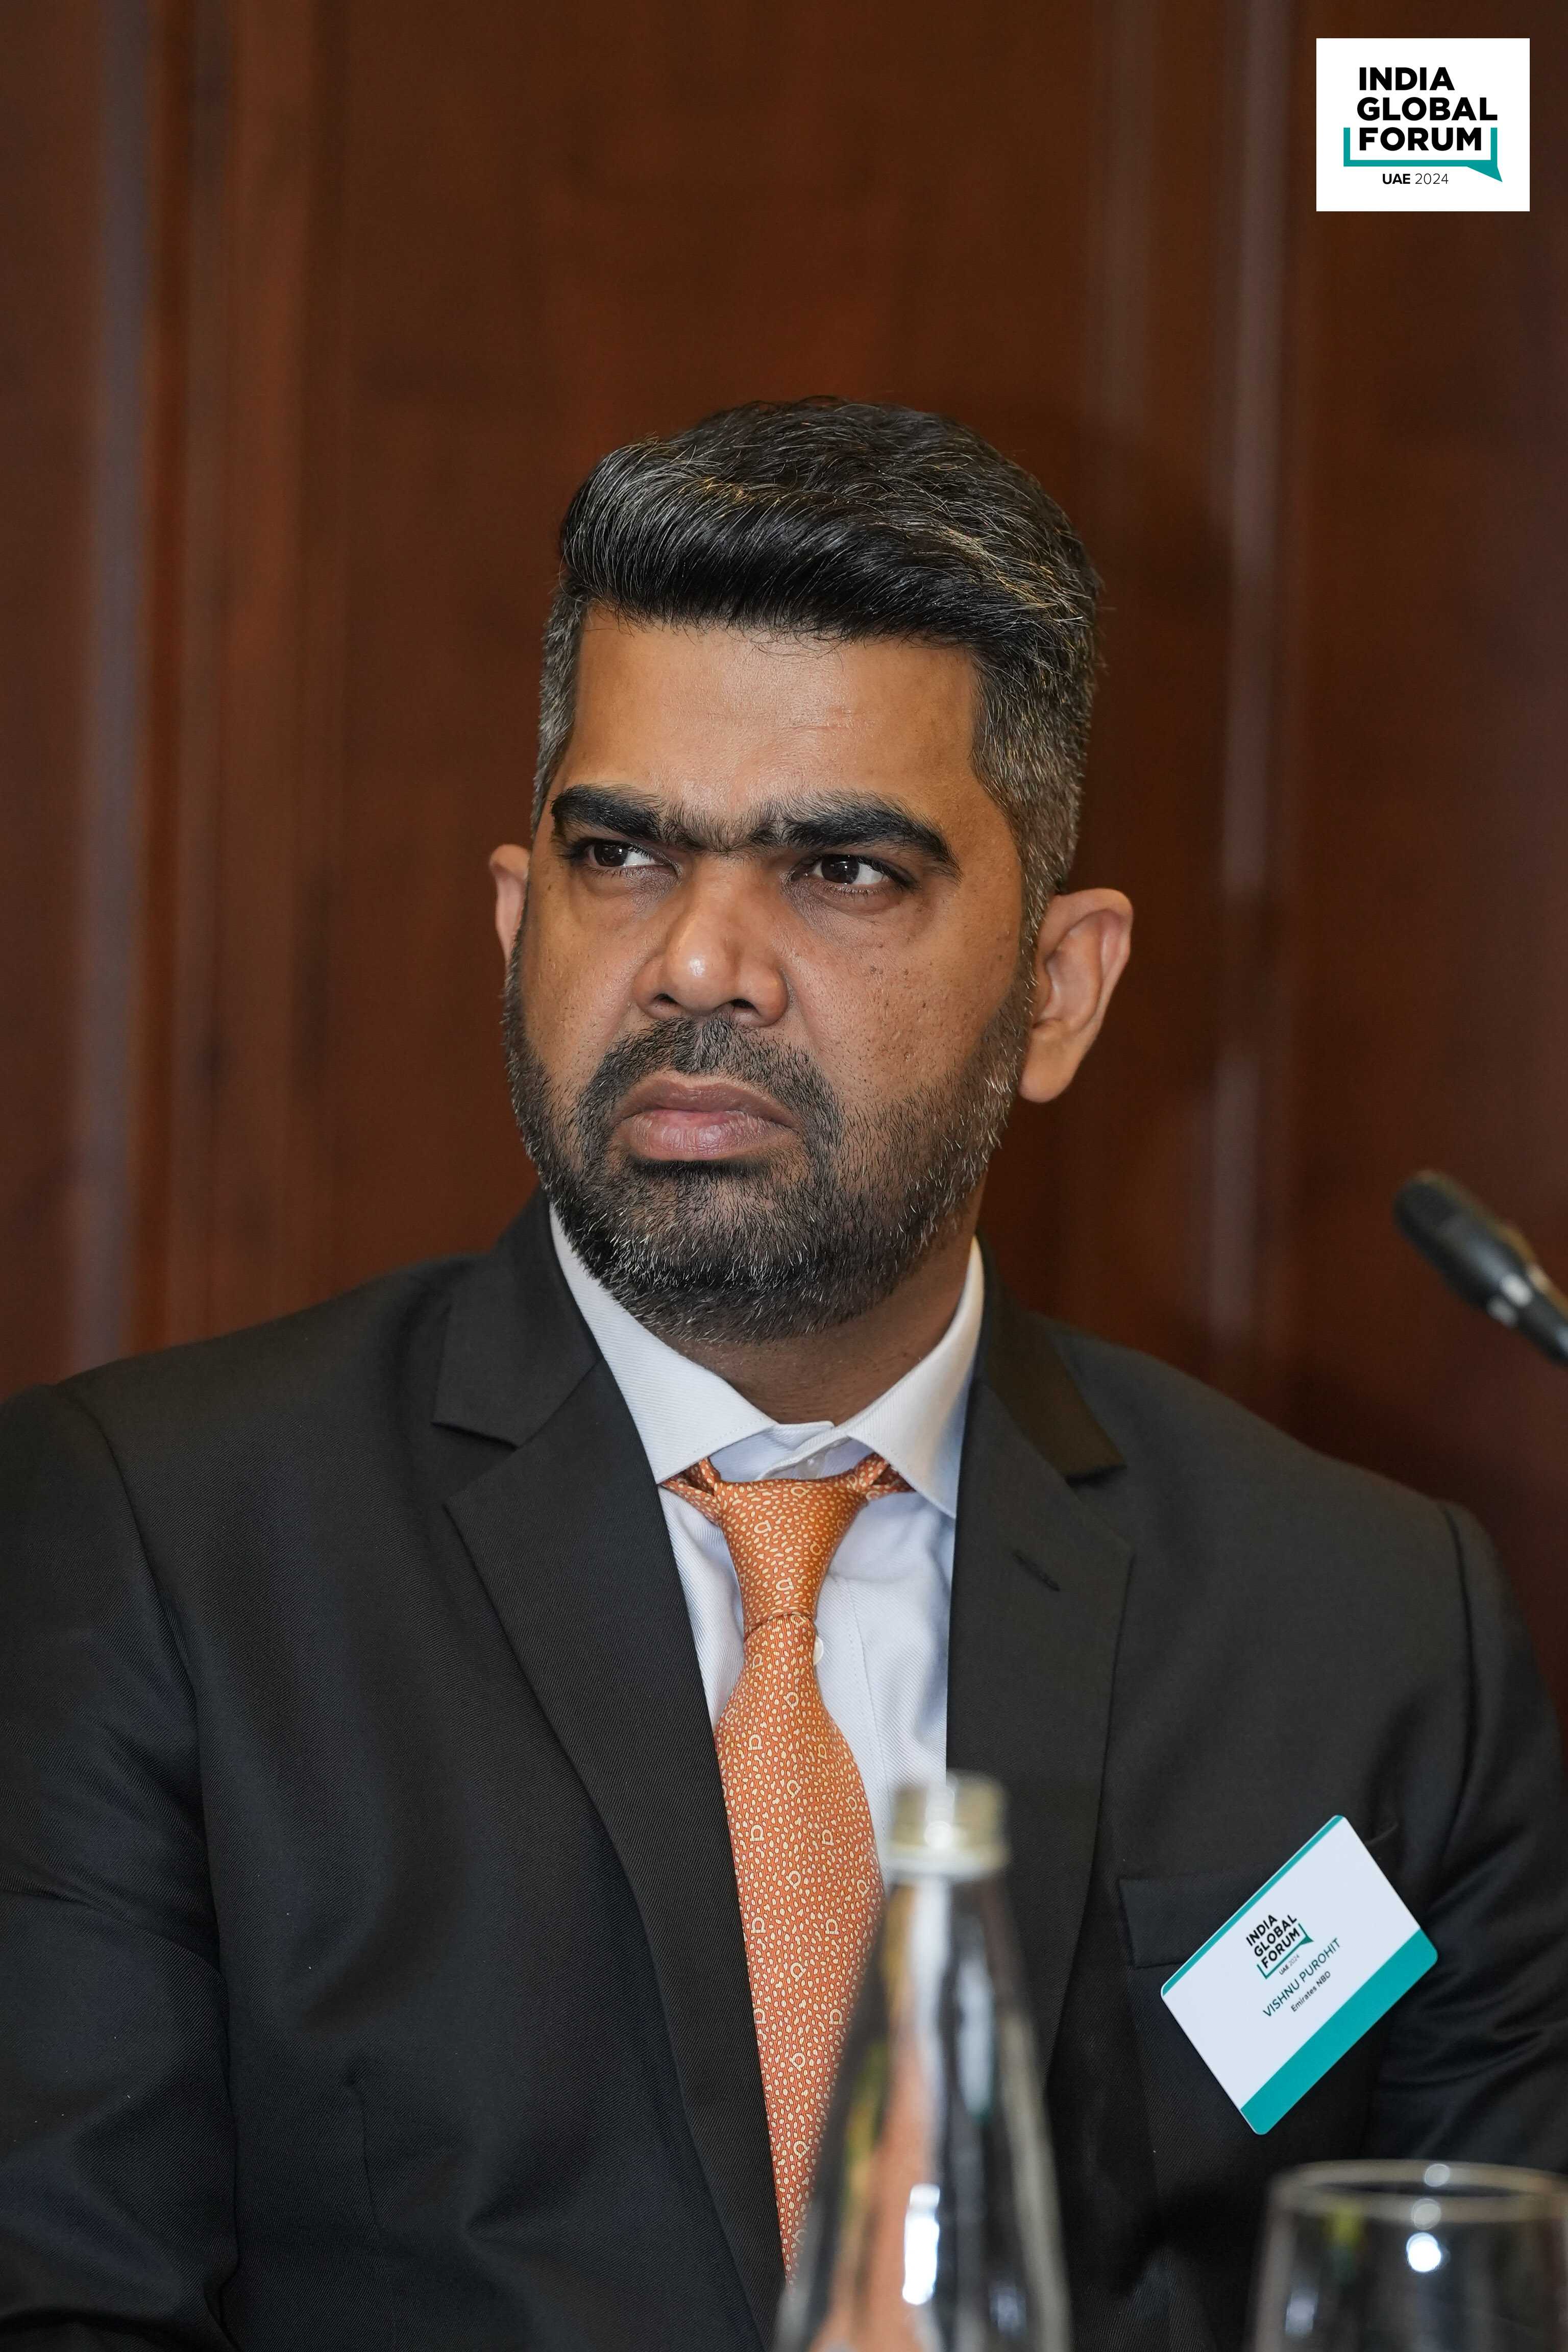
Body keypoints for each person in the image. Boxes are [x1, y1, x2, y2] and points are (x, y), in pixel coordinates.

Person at [2, 399, 1565, 2352]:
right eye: (621, 853)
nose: (701, 964)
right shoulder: (161, 1549)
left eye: (841, 870)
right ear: (516, 924)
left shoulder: (1369, 1630)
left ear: (1059, 992)